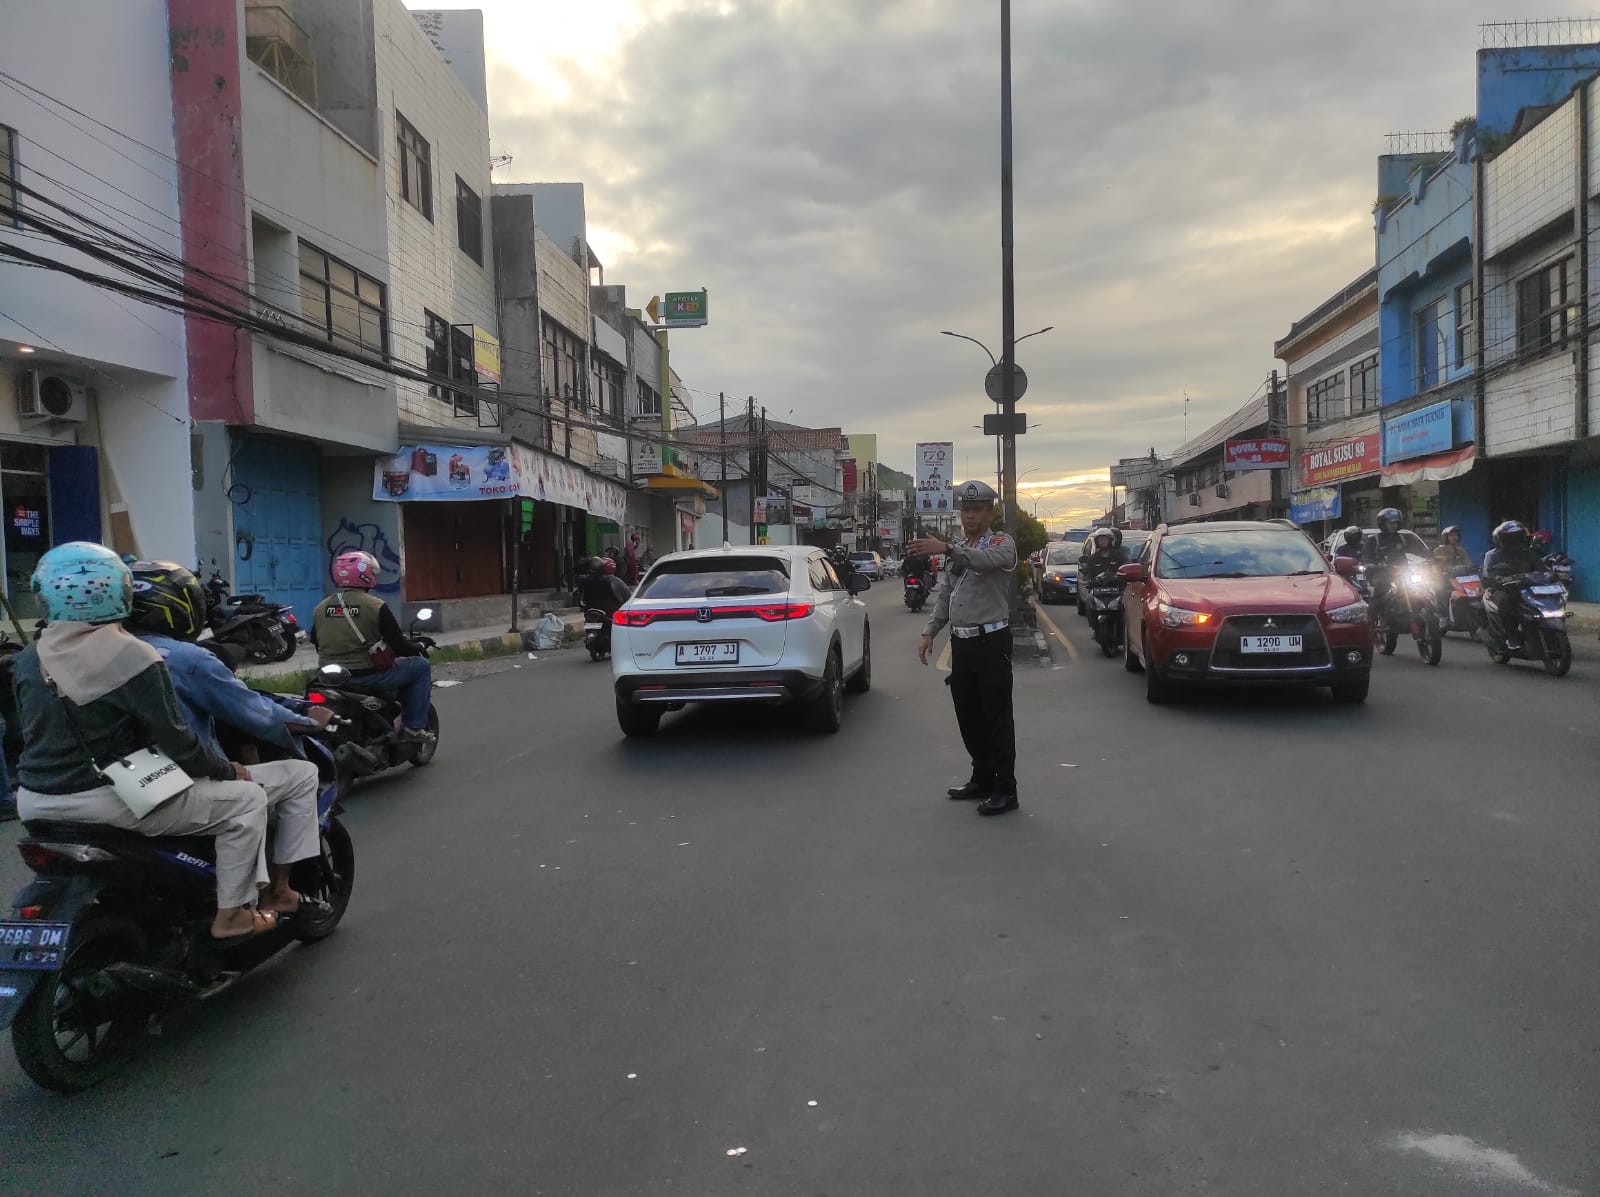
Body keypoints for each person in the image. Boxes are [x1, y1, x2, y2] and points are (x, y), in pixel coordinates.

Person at [11, 543, 279, 941]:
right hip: (104, 797)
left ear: (45, 594)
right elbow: (179, 743)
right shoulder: (134, 653)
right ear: (120, 591)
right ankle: (234, 915)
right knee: (248, 800)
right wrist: (228, 770)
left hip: (34, 800)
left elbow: (24, 732)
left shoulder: (29, 656)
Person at [126, 560, 328, 918]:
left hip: (110, 779)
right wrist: (306, 722)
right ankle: (273, 894)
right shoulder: (187, 659)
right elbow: (252, 711)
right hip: (163, 781)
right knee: (293, 778)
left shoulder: (84, 655)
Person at [911, 480, 1021, 817]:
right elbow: (947, 593)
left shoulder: (1001, 543)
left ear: (990, 513)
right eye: (966, 509)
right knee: (968, 714)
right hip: (962, 643)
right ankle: (982, 777)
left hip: (991, 642)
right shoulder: (959, 547)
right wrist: (930, 631)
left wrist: (945, 548)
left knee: (996, 716)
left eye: (977, 509)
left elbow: (985, 561)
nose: (970, 515)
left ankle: (1006, 789)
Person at [311, 550, 433, 741]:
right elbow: (399, 646)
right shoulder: (376, 606)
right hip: (366, 676)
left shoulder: (321, 607)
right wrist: (419, 645)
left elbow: (316, 641)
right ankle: (414, 728)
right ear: (364, 574)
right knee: (421, 666)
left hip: (329, 677)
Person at [1483, 519, 1546, 649]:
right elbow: (1490, 574)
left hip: (1528, 588)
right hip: (1505, 589)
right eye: (1511, 538)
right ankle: (1512, 637)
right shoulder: (1496, 556)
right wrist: (1501, 579)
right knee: (1506, 603)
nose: (1515, 540)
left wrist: (1553, 575)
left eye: (1518, 536)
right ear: (1502, 539)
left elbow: (1541, 570)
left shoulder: (1530, 554)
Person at [1079, 528, 1129, 634]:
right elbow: (1088, 574)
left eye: (1105, 539)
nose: (1102, 542)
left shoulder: (1119, 555)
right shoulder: (1093, 558)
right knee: (1088, 600)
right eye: (1100, 539)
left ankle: (1125, 630)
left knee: (1127, 605)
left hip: (1116, 589)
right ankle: (1094, 626)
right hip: (1099, 590)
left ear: (1110, 540)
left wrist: (1123, 579)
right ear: (1097, 542)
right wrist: (1088, 581)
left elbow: (1126, 568)